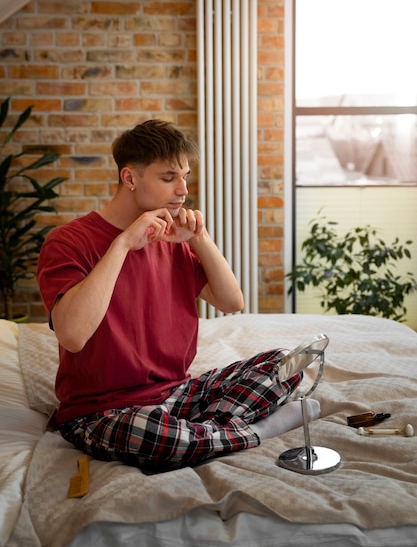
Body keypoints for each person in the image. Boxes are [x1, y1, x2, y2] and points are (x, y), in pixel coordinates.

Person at [37, 119, 320, 473]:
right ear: (130, 178)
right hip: (102, 411)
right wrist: (123, 244)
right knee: (157, 435)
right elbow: (73, 336)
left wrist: (199, 239)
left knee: (285, 363)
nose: (183, 189)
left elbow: (232, 303)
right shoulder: (68, 241)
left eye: (185, 176)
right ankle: (255, 431)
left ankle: (205, 433)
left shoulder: (171, 240)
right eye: (169, 177)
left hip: (178, 393)